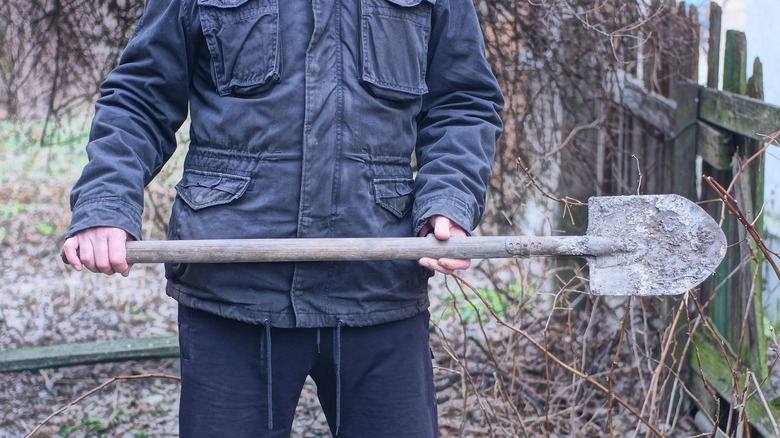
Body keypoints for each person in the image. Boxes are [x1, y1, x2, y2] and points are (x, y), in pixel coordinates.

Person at [62, 0, 503, 436]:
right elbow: (141, 96)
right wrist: (106, 204)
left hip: (378, 285)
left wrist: (449, 199)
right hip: (233, 289)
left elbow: (463, 101)